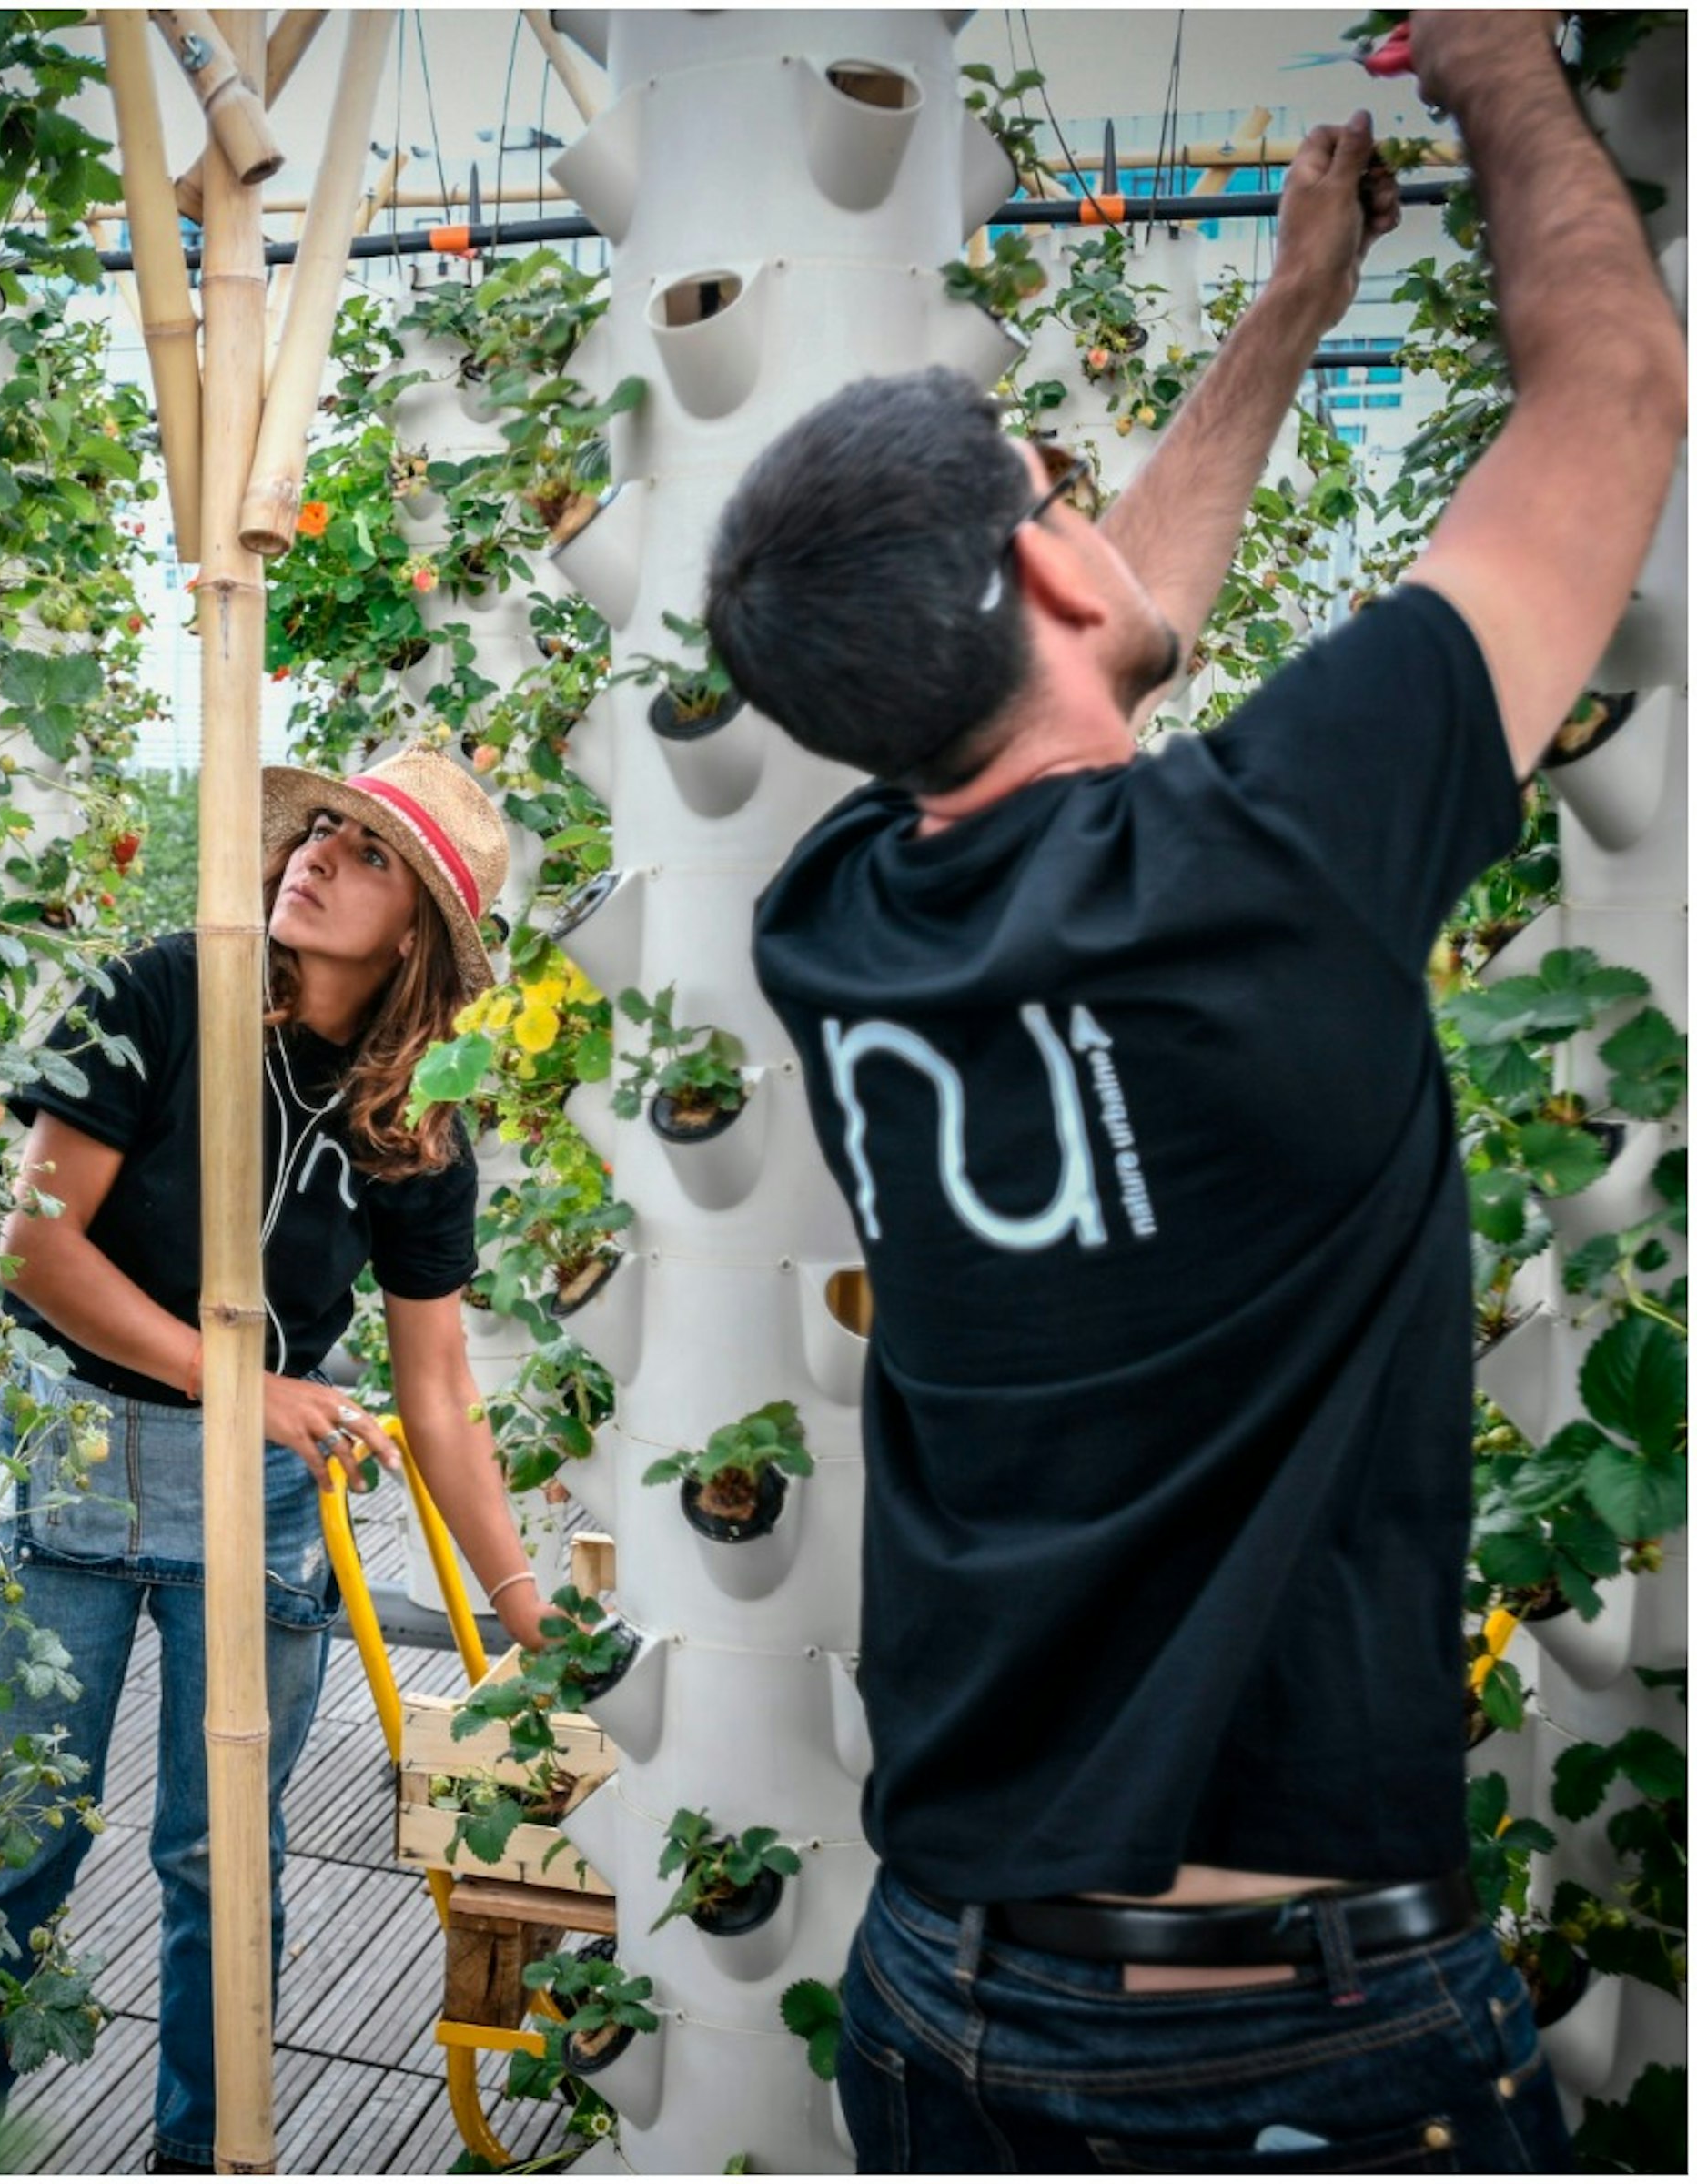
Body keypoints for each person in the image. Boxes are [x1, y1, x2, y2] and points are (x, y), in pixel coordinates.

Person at [703, 16, 1682, 2170]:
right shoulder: (1280, 860)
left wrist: (1287, 306)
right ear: (1046, 568)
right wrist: (1511, 71)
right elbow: (1611, 391)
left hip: (951, 1992)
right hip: (1283, 2050)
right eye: (1056, 496)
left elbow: (1088, 632)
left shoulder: (840, 921)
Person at [0, 749, 553, 2172]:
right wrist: (248, 1379)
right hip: (83, 1463)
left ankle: (204, 2157)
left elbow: (440, 1389)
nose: (321, 857)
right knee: (28, 1847)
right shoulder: (161, 989)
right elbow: (34, 1252)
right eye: (324, 831)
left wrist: (535, 1618)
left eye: (370, 854)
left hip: (266, 1493)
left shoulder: (420, 1116)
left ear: (419, 930)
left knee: (222, 1861)